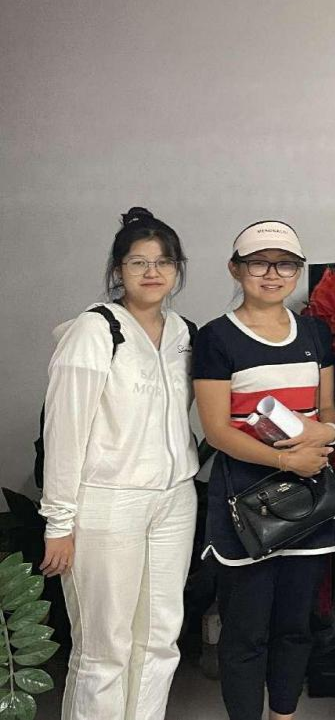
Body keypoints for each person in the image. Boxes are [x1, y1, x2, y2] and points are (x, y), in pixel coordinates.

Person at [40, 207, 198, 720]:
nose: (152, 272)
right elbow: (64, 432)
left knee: (159, 640)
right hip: (109, 502)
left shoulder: (184, 333)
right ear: (118, 270)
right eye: (138, 262)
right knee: (104, 647)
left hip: (174, 500)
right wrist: (59, 522)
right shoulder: (95, 330)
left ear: (177, 269)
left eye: (163, 262)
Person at [193, 220, 335, 720]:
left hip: (309, 503)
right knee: (245, 633)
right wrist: (285, 459)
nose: (272, 274)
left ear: (298, 271)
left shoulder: (314, 332)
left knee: (295, 628)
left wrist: (326, 433)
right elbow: (217, 430)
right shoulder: (216, 338)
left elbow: (328, 412)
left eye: (285, 265)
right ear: (235, 269)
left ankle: (284, 714)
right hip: (245, 508)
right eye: (259, 263)